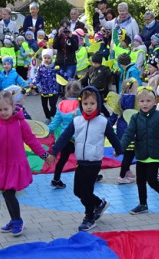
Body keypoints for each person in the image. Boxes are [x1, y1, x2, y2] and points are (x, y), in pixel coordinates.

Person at [49, 87, 121, 232]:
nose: (89, 107)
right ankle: (99, 203)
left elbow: (112, 137)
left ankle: (89, 217)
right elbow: (64, 137)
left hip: (94, 162)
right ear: (81, 104)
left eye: (92, 104)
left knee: (86, 192)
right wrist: (54, 152)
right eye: (86, 103)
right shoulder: (77, 121)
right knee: (77, 191)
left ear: (98, 104)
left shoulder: (102, 121)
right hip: (80, 161)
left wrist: (119, 149)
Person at [0, 90, 51, 236]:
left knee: (9, 193)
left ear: (13, 106)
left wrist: (44, 155)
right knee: (6, 193)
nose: (3, 112)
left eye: (6, 109)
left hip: (15, 165)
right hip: (0, 164)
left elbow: (32, 141)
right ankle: (14, 219)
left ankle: (17, 221)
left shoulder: (20, 123)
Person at [119, 87, 159, 216]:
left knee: (152, 180)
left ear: (154, 102)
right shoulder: (135, 118)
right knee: (140, 180)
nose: (145, 104)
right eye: (141, 101)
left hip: (155, 153)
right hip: (141, 153)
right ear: (138, 103)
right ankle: (143, 204)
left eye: (148, 101)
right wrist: (120, 147)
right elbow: (128, 134)